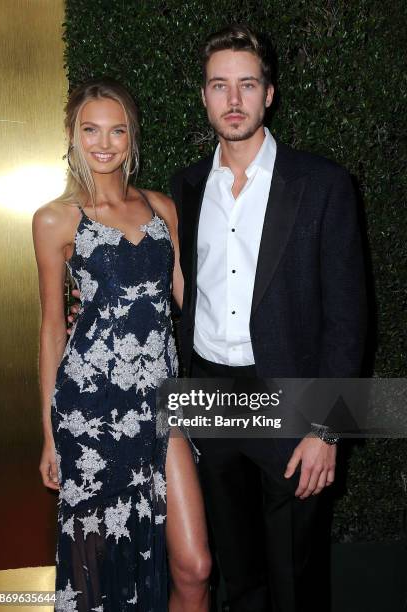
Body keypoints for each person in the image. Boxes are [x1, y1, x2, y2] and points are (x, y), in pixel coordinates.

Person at [170, 25, 367, 612]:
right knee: (237, 575)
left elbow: (350, 318)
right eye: (220, 85)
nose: (233, 100)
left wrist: (328, 427)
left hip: (290, 400)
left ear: (269, 94)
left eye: (247, 85)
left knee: (295, 579)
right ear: (204, 95)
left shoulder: (323, 185)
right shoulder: (184, 187)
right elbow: (171, 286)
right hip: (206, 394)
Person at [33, 78, 211, 612]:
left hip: (162, 407)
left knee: (196, 566)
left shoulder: (163, 208)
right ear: (72, 134)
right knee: (98, 581)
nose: (104, 143)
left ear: (133, 137)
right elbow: (50, 331)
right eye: (91, 129)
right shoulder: (54, 219)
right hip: (89, 414)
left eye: (117, 130)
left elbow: (190, 301)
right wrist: (48, 434)